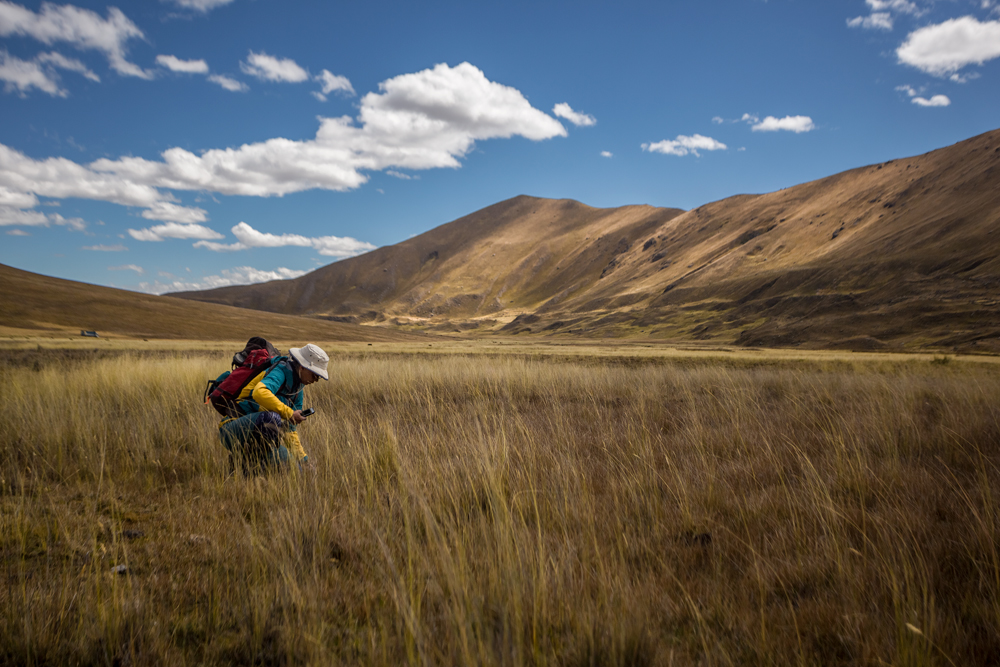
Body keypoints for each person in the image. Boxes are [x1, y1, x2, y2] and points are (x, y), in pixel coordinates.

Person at [219, 343, 329, 476]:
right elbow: (259, 392)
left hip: (261, 438)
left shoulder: (298, 389)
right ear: (302, 367)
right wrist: (289, 413)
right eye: (315, 374)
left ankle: (249, 465)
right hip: (233, 430)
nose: (316, 380)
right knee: (271, 418)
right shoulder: (280, 371)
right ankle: (245, 469)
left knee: (297, 471)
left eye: (319, 376)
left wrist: (304, 460)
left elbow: (290, 429)